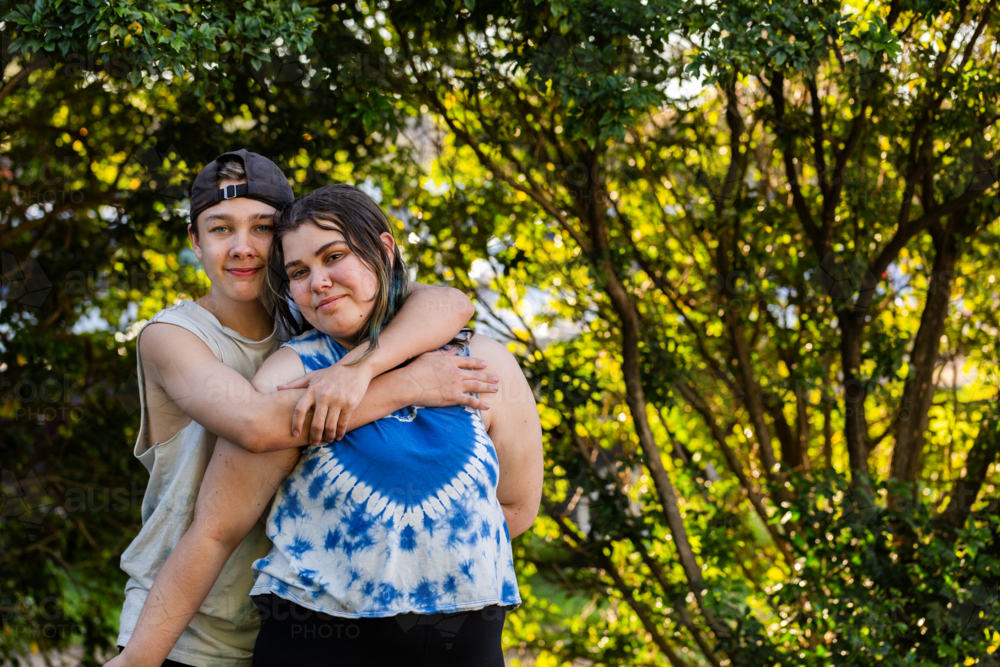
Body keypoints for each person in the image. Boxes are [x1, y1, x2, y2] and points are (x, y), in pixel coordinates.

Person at [108, 184, 543, 667]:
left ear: (384, 250)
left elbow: (517, 507)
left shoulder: (479, 361)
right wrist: (135, 662)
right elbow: (216, 527)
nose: (318, 282)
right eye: (298, 271)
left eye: (333, 256)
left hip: (466, 644)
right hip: (315, 645)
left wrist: (420, 559)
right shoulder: (290, 374)